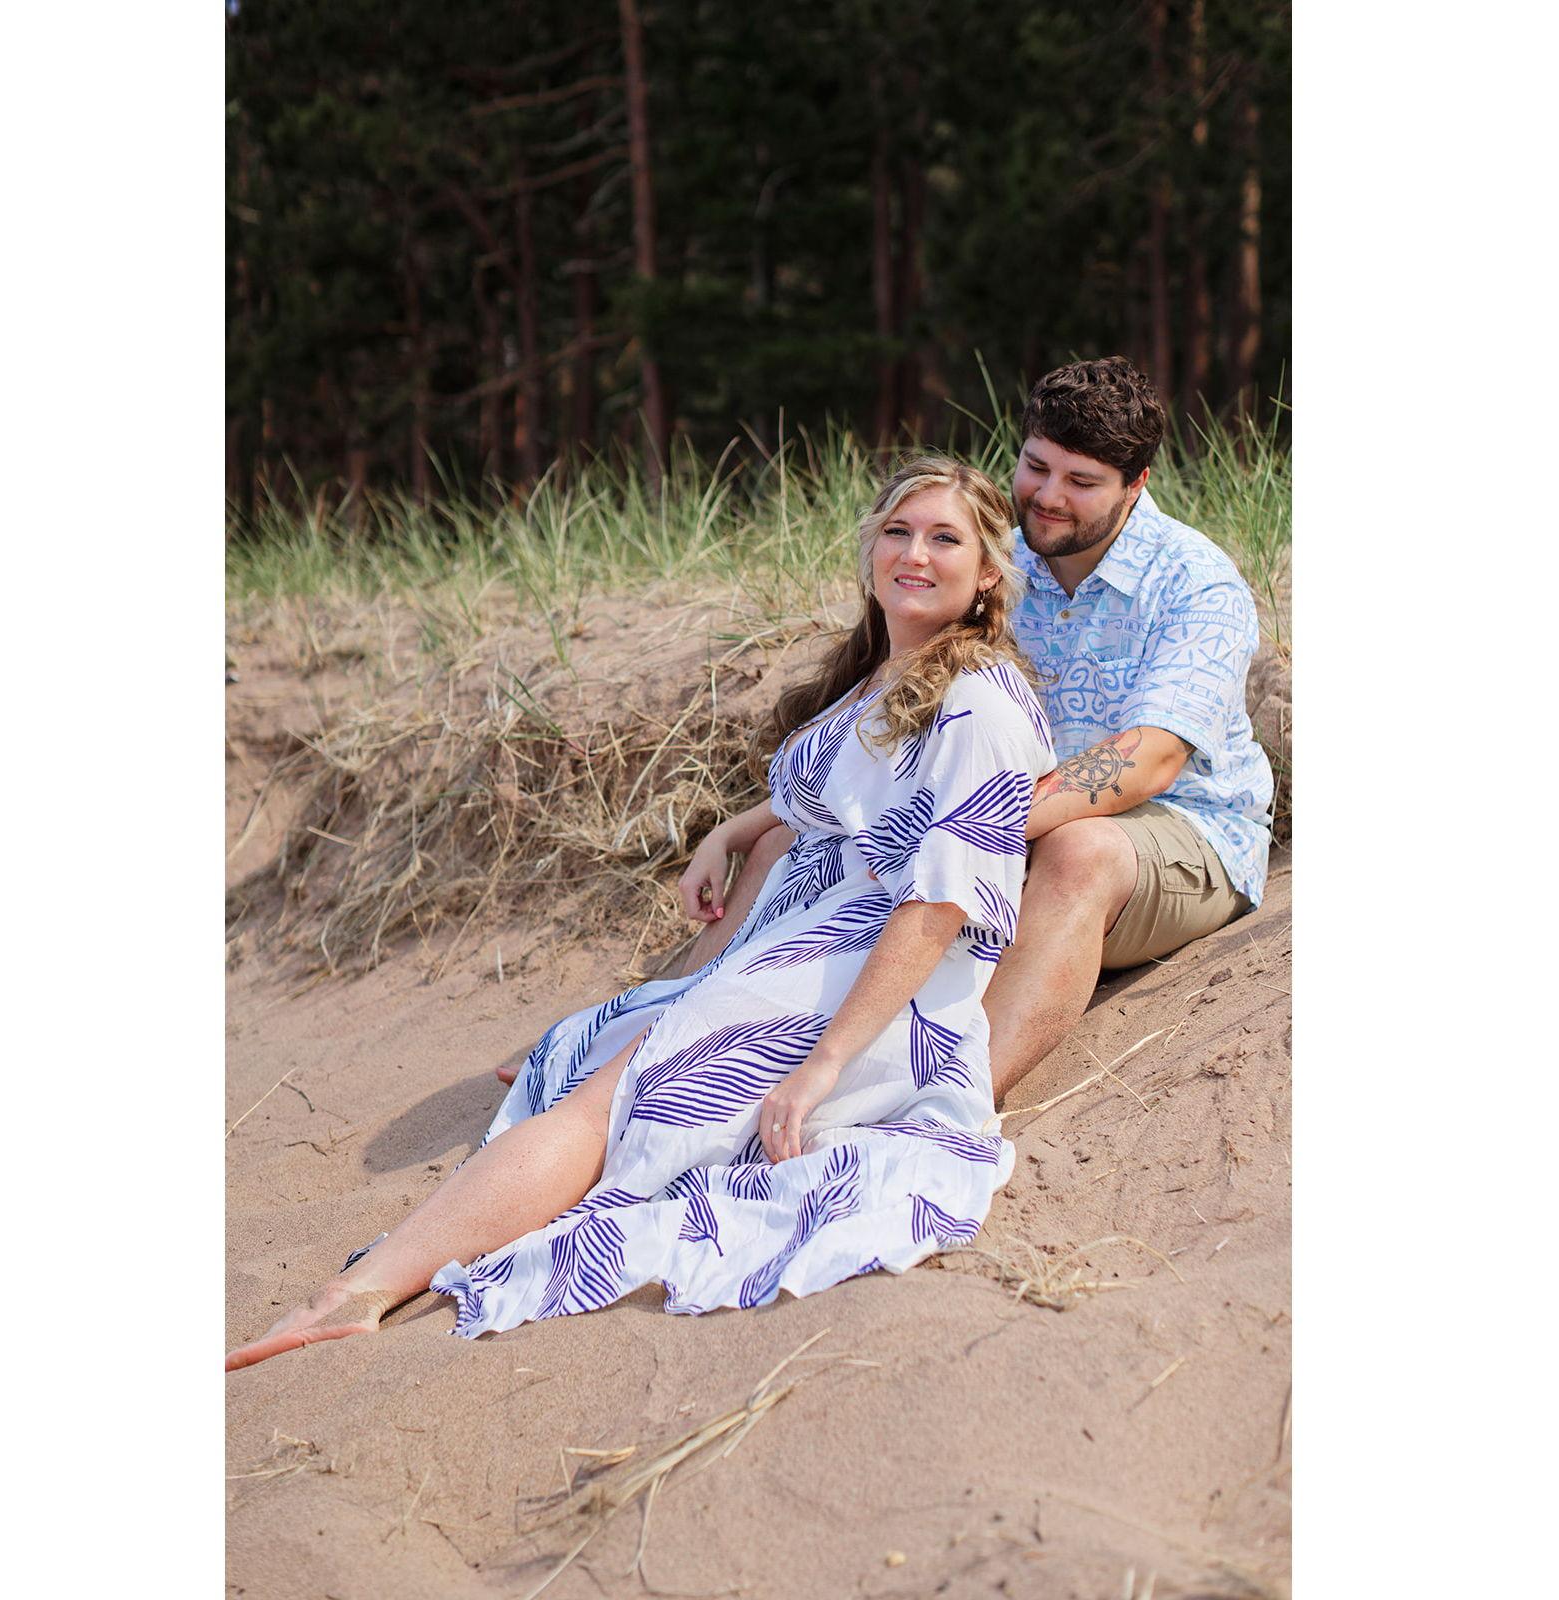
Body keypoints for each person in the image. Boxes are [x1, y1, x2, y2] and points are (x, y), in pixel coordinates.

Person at [226, 457, 1057, 1370]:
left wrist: (821, 1070)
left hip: (875, 979)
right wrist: (732, 833)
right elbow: (843, 795)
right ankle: (386, 1274)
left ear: (988, 573)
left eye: (945, 538)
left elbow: (938, 904)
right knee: (614, 1061)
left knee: (611, 1100)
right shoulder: (887, 676)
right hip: (801, 941)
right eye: (898, 531)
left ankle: (358, 1291)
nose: (914, 553)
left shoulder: (977, 701)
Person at [650, 357, 1273, 1108]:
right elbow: (885, 732)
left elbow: (1150, 761)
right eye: (1037, 467)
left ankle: (955, 1107)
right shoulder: (1002, 560)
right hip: (1005, 817)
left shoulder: (1195, 583)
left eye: (1082, 482)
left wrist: (960, 829)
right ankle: (648, 1036)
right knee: (796, 844)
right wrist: (743, 827)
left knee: (1081, 849)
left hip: (1180, 834)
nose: (1047, 498)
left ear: (1135, 484)